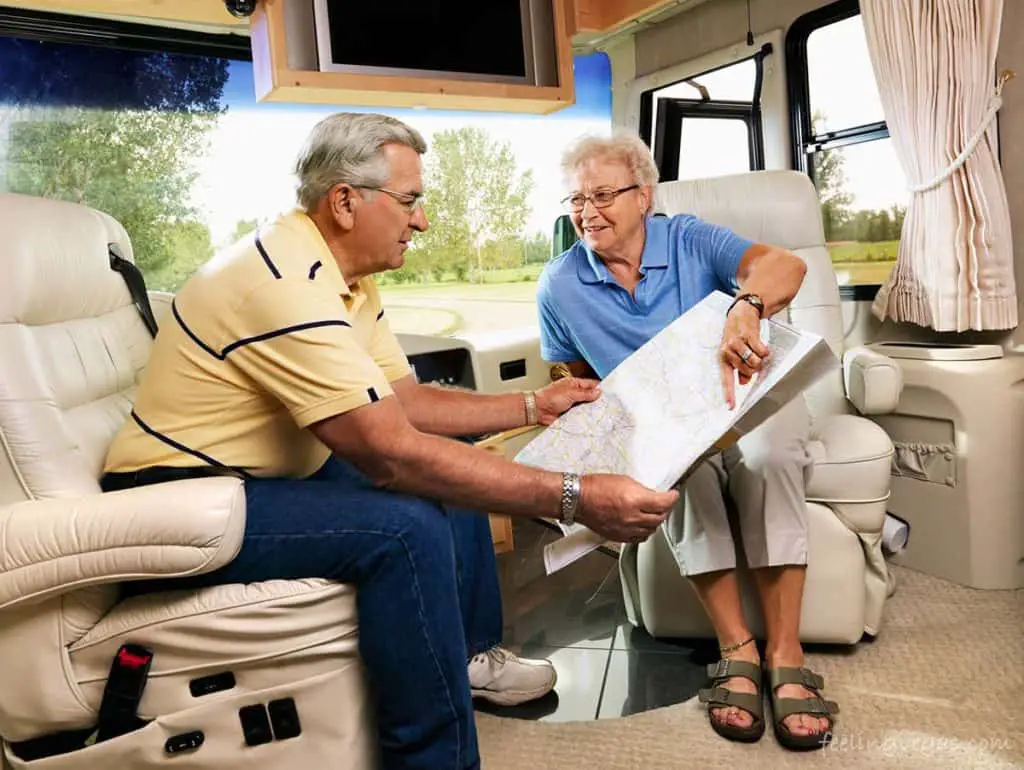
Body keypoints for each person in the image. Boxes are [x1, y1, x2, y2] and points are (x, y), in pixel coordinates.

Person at [99, 114, 679, 770]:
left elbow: (403, 402)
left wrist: (527, 404)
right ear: (346, 201)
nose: (422, 220)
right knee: (405, 525)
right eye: (410, 201)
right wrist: (576, 497)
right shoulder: (279, 279)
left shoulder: (344, 275)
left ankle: (469, 661)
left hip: (259, 478)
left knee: (453, 482)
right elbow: (389, 452)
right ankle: (435, 759)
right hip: (177, 500)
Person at [536, 133, 839, 751]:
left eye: (601, 195)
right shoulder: (558, 285)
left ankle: (786, 652)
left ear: (642, 196)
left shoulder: (689, 237)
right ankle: (739, 649)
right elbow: (573, 377)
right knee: (683, 474)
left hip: (747, 397)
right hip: (669, 423)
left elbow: (787, 265)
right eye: (576, 199)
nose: (587, 211)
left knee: (770, 454)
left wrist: (746, 305)